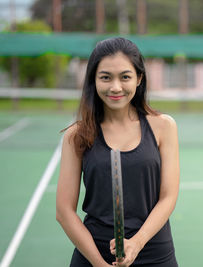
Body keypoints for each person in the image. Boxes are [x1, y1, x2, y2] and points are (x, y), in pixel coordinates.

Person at [56, 37, 179, 267]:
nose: (115, 87)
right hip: (94, 252)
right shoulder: (77, 135)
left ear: (139, 79)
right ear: (93, 79)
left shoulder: (164, 127)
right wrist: (98, 263)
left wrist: (137, 243)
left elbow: (168, 197)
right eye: (105, 77)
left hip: (154, 252)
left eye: (125, 77)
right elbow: (64, 211)